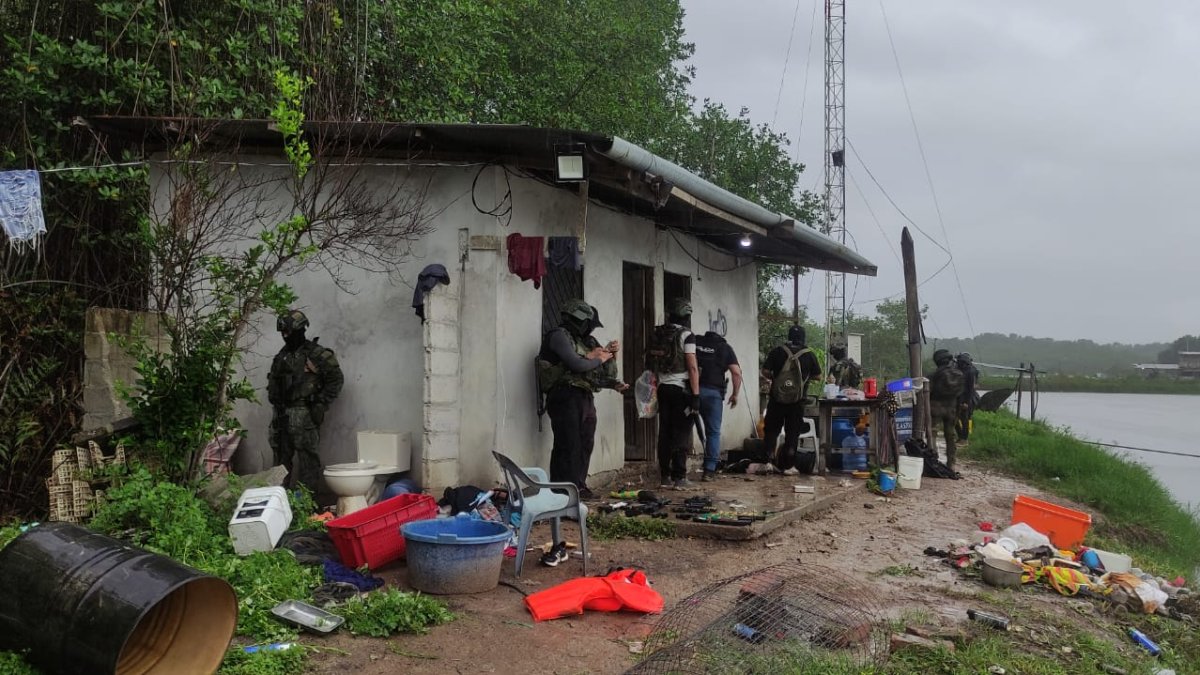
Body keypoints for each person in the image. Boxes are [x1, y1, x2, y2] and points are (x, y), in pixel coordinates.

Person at [537, 299, 619, 499]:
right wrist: (598, 358)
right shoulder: (558, 336)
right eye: (588, 324)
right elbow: (577, 365)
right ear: (580, 320)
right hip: (564, 395)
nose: (590, 329)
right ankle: (562, 492)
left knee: (585, 443)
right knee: (568, 444)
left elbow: (603, 374)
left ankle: (578, 487)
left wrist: (610, 356)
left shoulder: (587, 341)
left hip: (584, 396)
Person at [268, 309, 344, 497]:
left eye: (288, 331)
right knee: (280, 463)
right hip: (282, 415)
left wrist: (320, 402)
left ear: (300, 330)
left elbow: (336, 379)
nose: (285, 336)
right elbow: (274, 386)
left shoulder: (317, 354)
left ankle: (305, 505)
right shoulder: (281, 357)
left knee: (308, 462)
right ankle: (278, 503)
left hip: (305, 415)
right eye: (282, 332)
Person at [648, 298, 700, 490]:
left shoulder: (659, 333)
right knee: (682, 432)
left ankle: (665, 477)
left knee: (665, 432)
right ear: (686, 316)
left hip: (662, 388)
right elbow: (692, 367)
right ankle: (680, 477)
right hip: (681, 390)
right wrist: (696, 395)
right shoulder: (687, 335)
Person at [760, 325, 821, 471]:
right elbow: (818, 376)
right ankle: (789, 466)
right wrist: (803, 378)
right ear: (803, 337)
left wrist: (778, 378)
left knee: (771, 431)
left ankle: (768, 462)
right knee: (792, 432)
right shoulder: (809, 354)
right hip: (797, 401)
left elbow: (765, 371)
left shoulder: (777, 352)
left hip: (777, 399)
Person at [695, 330, 743, 481]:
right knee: (713, 432)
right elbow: (736, 372)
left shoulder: (695, 341)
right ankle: (709, 470)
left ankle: (676, 470)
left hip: (691, 392)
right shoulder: (724, 348)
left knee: (681, 429)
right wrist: (735, 394)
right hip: (713, 394)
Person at [928, 349, 965, 472]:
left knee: (932, 433)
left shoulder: (934, 375)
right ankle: (951, 463)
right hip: (952, 408)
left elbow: (928, 392)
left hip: (935, 407)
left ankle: (933, 460)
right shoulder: (959, 374)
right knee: (950, 436)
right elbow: (961, 395)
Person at [955, 352, 981, 442]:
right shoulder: (958, 369)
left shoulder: (970, 371)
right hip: (958, 397)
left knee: (965, 418)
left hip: (967, 398)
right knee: (954, 418)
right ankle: (960, 436)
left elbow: (970, 389)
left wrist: (966, 402)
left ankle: (964, 438)